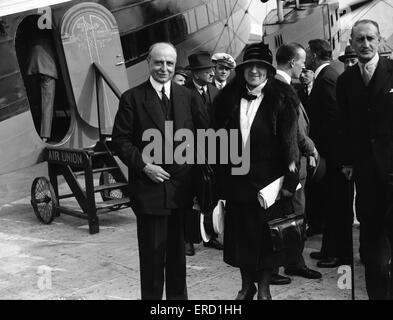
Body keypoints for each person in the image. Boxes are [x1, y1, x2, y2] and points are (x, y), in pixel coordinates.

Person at [112, 42, 200, 300]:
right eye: (158, 62)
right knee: (151, 262)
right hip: (149, 193)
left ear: (175, 66)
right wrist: (144, 166)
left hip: (180, 194)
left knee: (177, 262)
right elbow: (120, 140)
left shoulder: (188, 97)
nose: (164, 68)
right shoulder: (133, 98)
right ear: (148, 63)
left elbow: (203, 138)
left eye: (169, 63)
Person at [214, 42, 300, 300]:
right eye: (249, 66)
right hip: (237, 183)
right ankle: (246, 286)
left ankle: (263, 289)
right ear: (241, 70)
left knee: (266, 242)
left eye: (260, 66)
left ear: (268, 70)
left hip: (268, 186)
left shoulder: (282, 98)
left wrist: (289, 181)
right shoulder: (227, 98)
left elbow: (291, 143)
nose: (254, 71)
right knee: (241, 241)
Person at [337, 19, 393, 300]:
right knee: (371, 244)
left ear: (380, 40)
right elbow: (344, 126)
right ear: (352, 43)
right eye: (359, 39)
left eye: (370, 38)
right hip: (366, 175)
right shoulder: (346, 81)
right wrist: (347, 161)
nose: (365, 44)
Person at [272, 43, 322, 283]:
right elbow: (292, 129)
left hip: (289, 164)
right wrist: (310, 147)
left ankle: (291, 262)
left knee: (290, 216)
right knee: (291, 215)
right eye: (302, 62)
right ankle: (282, 265)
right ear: (292, 62)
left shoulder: (280, 86)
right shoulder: (281, 88)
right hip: (290, 166)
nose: (304, 66)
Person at [305, 39, 353, 268]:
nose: (304, 56)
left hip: (334, 158)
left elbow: (335, 121)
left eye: (307, 52)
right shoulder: (328, 76)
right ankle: (329, 250)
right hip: (332, 156)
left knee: (337, 205)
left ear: (314, 54)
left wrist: (329, 156)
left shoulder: (326, 79)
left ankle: (338, 254)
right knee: (332, 204)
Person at [184, 51, 222, 255]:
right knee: (191, 197)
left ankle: (210, 235)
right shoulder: (182, 93)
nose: (211, 73)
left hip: (215, 152)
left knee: (212, 194)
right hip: (191, 153)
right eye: (205, 70)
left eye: (211, 69)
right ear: (194, 74)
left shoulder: (215, 91)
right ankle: (188, 239)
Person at [26, 29, 58, 143]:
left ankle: (31, 132)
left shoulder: (32, 34)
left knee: (35, 103)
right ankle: (44, 136)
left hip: (32, 69)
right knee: (47, 104)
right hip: (48, 69)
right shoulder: (51, 33)